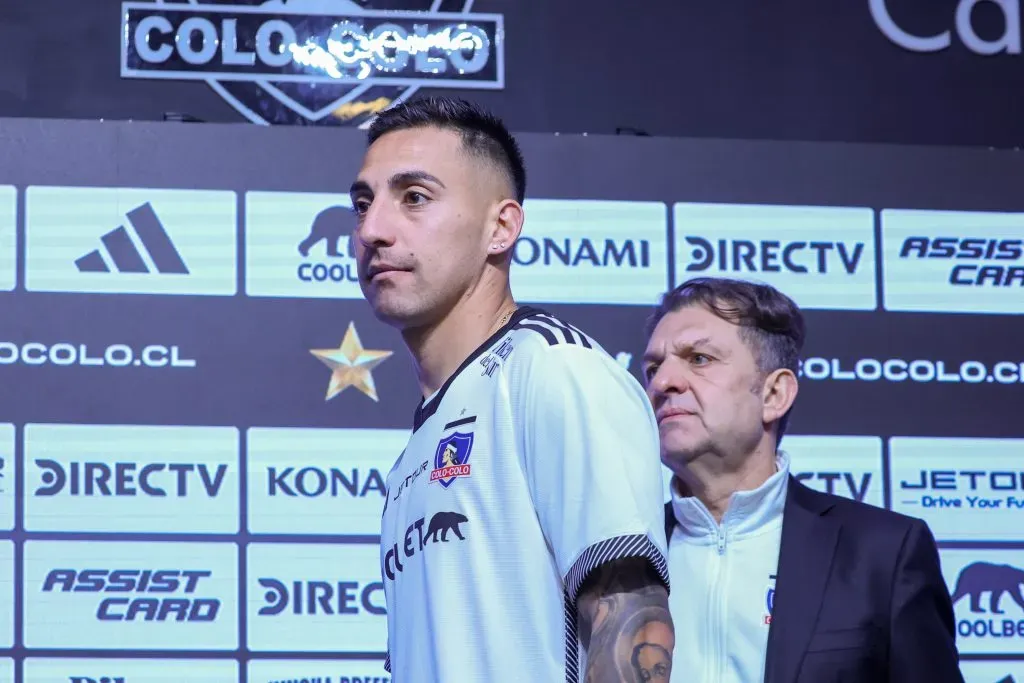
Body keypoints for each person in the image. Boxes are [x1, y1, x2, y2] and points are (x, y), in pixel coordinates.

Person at [350, 95, 674, 682]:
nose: (372, 230)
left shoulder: (552, 369)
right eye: (363, 204)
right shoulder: (414, 454)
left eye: (414, 197)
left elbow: (632, 620)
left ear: (500, 227)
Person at [640, 276, 963, 683]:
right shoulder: (621, 555)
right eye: (653, 367)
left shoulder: (883, 553)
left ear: (774, 394)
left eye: (699, 359)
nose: (662, 383)